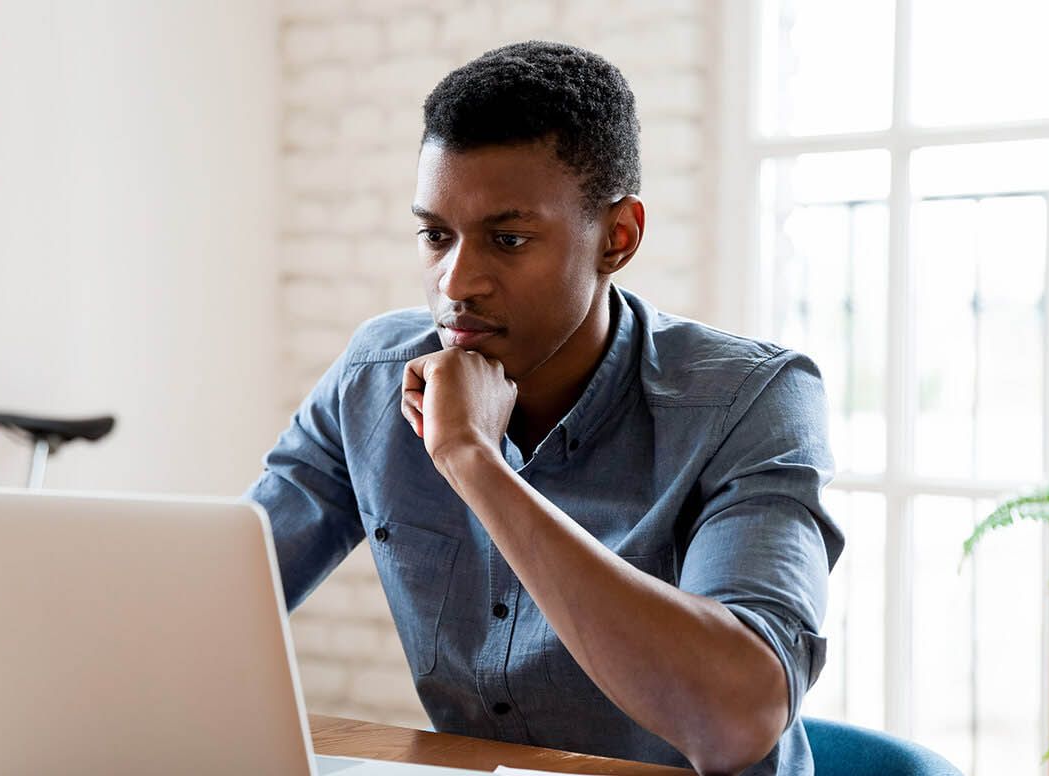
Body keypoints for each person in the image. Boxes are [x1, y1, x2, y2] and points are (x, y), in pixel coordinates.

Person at [244, 40, 843, 776]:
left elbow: (735, 719)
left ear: (617, 238)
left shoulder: (752, 401)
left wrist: (476, 464)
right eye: (436, 235)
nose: (456, 282)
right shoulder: (373, 377)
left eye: (508, 239)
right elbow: (218, 594)